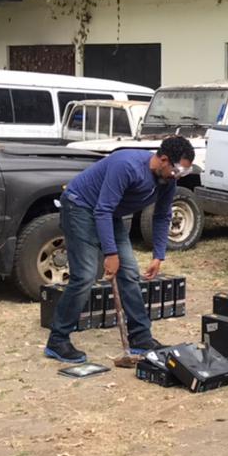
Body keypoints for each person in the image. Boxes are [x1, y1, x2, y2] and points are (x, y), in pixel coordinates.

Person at [45, 136, 195, 364]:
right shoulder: (126, 166)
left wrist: (158, 255)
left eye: (183, 172)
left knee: (130, 273)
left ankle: (140, 338)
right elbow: (102, 210)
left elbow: (162, 215)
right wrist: (110, 254)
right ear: (164, 159)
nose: (178, 176)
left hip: (109, 213)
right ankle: (57, 340)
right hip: (80, 206)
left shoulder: (168, 180)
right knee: (85, 275)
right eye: (177, 170)